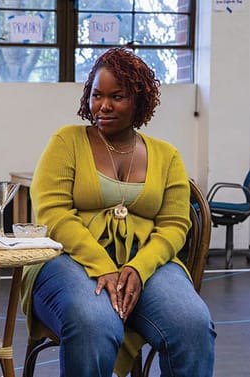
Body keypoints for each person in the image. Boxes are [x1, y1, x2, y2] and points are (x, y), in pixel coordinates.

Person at [20, 48, 216, 376]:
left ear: (139, 101)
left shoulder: (167, 156)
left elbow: (174, 224)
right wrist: (102, 267)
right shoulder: (66, 141)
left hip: (145, 261)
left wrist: (138, 268)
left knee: (192, 325)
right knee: (94, 321)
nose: (104, 106)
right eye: (97, 95)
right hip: (69, 258)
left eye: (117, 96)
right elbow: (53, 214)